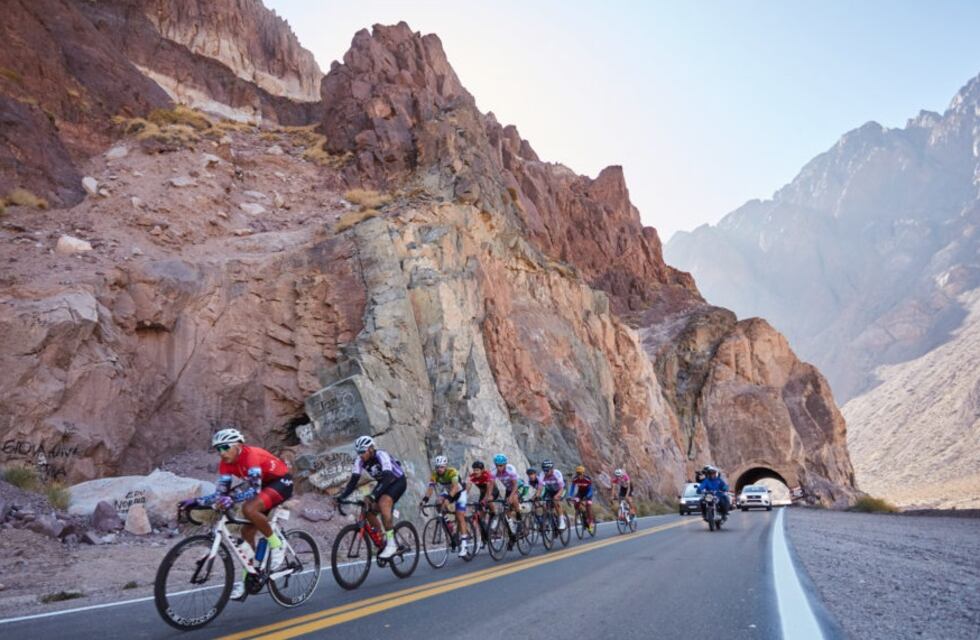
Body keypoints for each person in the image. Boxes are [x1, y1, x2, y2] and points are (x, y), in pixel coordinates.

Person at [180, 427, 294, 600]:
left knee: (249, 509)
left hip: (281, 482)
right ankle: (250, 577)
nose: (222, 452)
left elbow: (254, 490)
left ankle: (277, 545)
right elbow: (221, 493)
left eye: (225, 447)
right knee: (246, 533)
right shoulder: (225, 464)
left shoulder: (250, 456)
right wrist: (197, 501)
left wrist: (231, 499)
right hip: (264, 485)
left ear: (238, 445)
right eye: (218, 449)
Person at [335, 435, 407, 560]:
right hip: (383, 484)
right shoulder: (360, 461)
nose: (360, 455)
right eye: (358, 452)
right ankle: (382, 540)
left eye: (363, 451)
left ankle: (391, 545)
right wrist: (341, 497)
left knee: (383, 503)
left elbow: (388, 477)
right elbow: (353, 482)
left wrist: (373, 495)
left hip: (397, 482)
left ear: (371, 449)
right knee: (368, 509)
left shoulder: (381, 455)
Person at [421, 455, 470, 557]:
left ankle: (464, 546)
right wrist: (424, 500)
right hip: (448, 492)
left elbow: (455, 487)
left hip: (460, 493)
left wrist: (448, 499)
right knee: (438, 502)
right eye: (437, 467)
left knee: (460, 515)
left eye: (442, 467)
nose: (439, 469)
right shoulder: (435, 474)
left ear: (446, 466)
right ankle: (450, 526)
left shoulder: (452, 472)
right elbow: (430, 488)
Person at [489, 453, 523, 542]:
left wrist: (511, 497)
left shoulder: (510, 469)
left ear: (505, 464)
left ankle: (519, 516)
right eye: (497, 465)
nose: (499, 468)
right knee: (506, 508)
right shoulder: (494, 471)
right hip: (508, 488)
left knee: (513, 498)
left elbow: (515, 485)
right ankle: (512, 528)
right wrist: (489, 496)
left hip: (518, 486)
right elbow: (491, 485)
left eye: (501, 465)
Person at [536, 460, 566, 530]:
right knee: (546, 505)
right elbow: (540, 488)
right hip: (550, 491)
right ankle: (551, 519)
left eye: (547, 470)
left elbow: (561, 488)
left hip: (560, 489)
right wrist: (537, 496)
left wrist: (557, 496)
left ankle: (562, 520)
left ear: (552, 469)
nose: (545, 472)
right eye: (544, 470)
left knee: (556, 501)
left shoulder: (557, 473)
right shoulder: (542, 474)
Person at [568, 465, 595, 533]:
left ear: (583, 473)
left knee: (588, 506)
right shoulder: (575, 479)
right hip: (580, 493)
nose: (579, 475)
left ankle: (591, 522)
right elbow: (572, 488)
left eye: (580, 473)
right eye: (577, 473)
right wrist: (570, 496)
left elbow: (591, 489)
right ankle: (581, 513)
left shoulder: (587, 479)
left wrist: (588, 496)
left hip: (588, 493)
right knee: (576, 503)